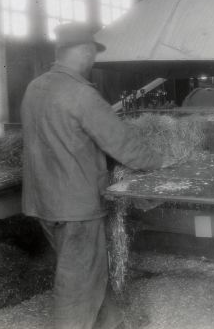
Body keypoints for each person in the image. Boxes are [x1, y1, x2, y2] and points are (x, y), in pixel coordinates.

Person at [21, 22, 162, 329]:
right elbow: (124, 145)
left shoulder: (35, 87)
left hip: (43, 203)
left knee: (87, 272)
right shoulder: (81, 95)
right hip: (76, 208)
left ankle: (112, 325)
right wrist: (160, 161)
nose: (94, 60)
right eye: (93, 53)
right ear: (85, 51)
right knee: (77, 288)